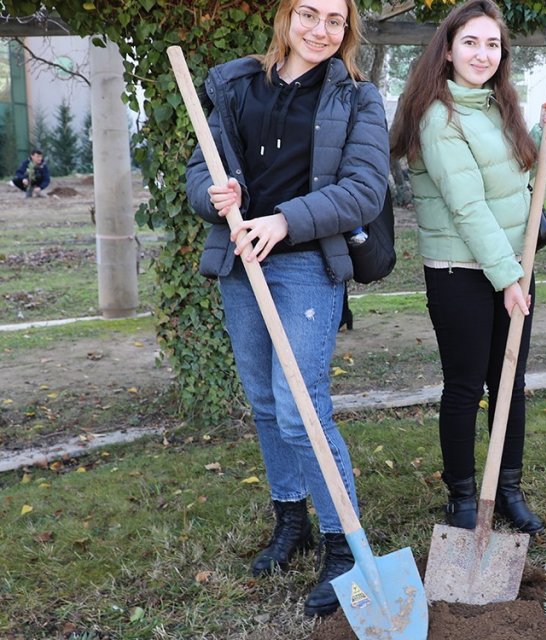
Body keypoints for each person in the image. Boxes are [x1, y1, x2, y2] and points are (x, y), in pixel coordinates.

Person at [183, 0, 389, 618]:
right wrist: (216, 194)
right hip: (241, 261)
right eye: (309, 14)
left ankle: (343, 544)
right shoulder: (236, 84)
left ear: (347, 28)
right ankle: (290, 521)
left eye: (334, 19)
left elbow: (363, 190)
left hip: (304, 263)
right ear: (286, 17)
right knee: (267, 404)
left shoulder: (357, 99)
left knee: (303, 408)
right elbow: (202, 168)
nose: (320, 30)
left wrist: (284, 220)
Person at [389, 0, 546, 536]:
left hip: (512, 266)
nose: (482, 54)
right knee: (467, 386)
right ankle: (463, 497)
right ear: (447, 50)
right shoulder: (438, 116)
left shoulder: (497, 106)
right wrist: (509, 277)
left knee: (509, 380)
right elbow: (467, 208)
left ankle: (507, 488)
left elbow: (519, 190)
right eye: (471, 42)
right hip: (459, 271)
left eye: (492, 44)